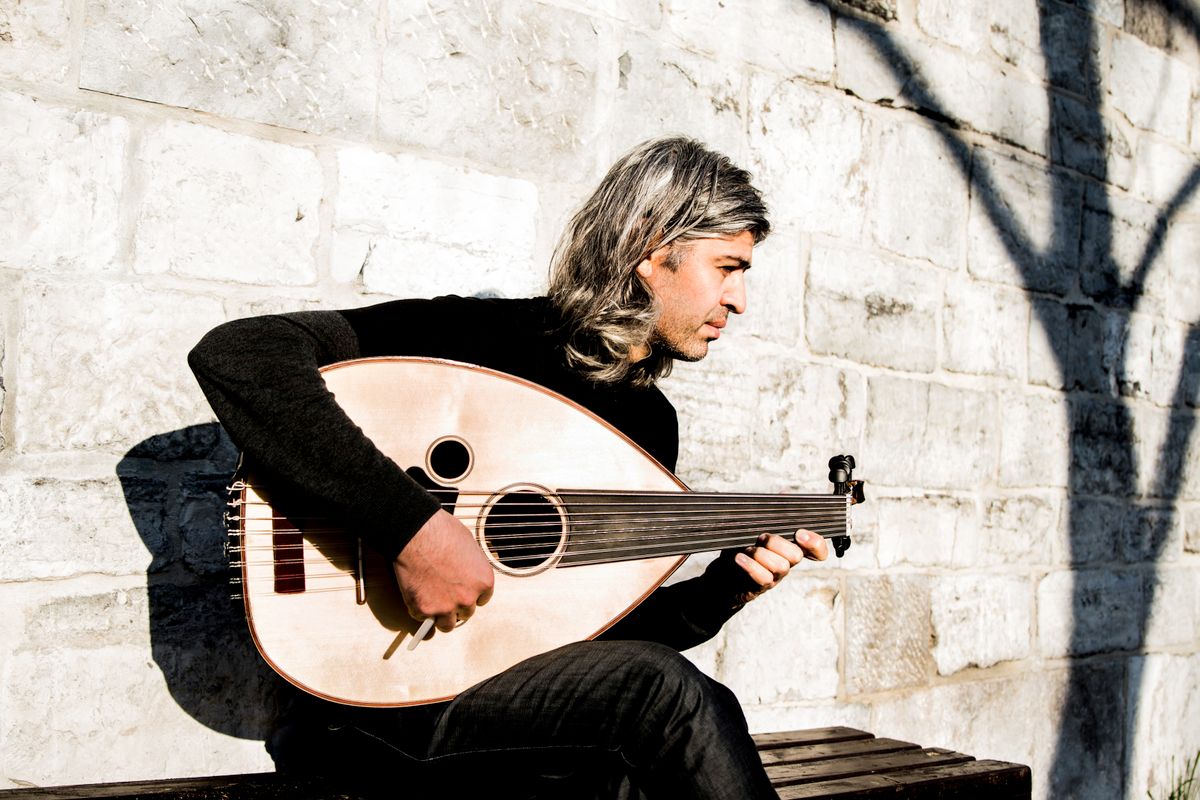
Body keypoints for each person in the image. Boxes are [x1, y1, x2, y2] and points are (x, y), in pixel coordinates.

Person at [189, 136, 829, 799]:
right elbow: (242, 353)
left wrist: (721, 591)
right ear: (650, 246)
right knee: (663, 700)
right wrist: (413, 531)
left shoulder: (648, 425)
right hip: (385, 707)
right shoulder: (481, 341)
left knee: (641, 752)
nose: (739, 299)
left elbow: (589, 639)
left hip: (505, 709)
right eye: (727, 267)